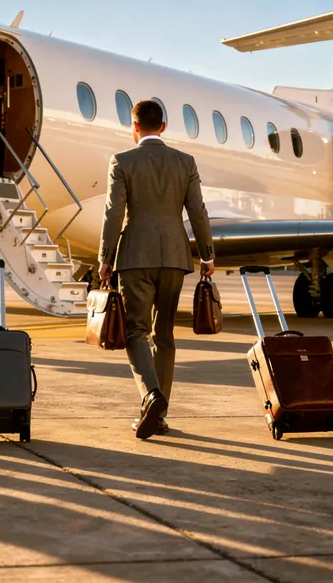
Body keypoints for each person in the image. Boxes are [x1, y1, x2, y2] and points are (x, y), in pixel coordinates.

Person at [97, 99, 215, 440]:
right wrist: (206, 255)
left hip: (135, 257)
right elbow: (198, 211)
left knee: (136, 331)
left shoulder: (122, 161)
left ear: (134, 127)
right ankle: (159, 416)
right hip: (175, 258)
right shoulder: (185, 162)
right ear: (163, 126)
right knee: (164, 335)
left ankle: (151, 396)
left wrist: (105, 258)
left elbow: (113, 213)